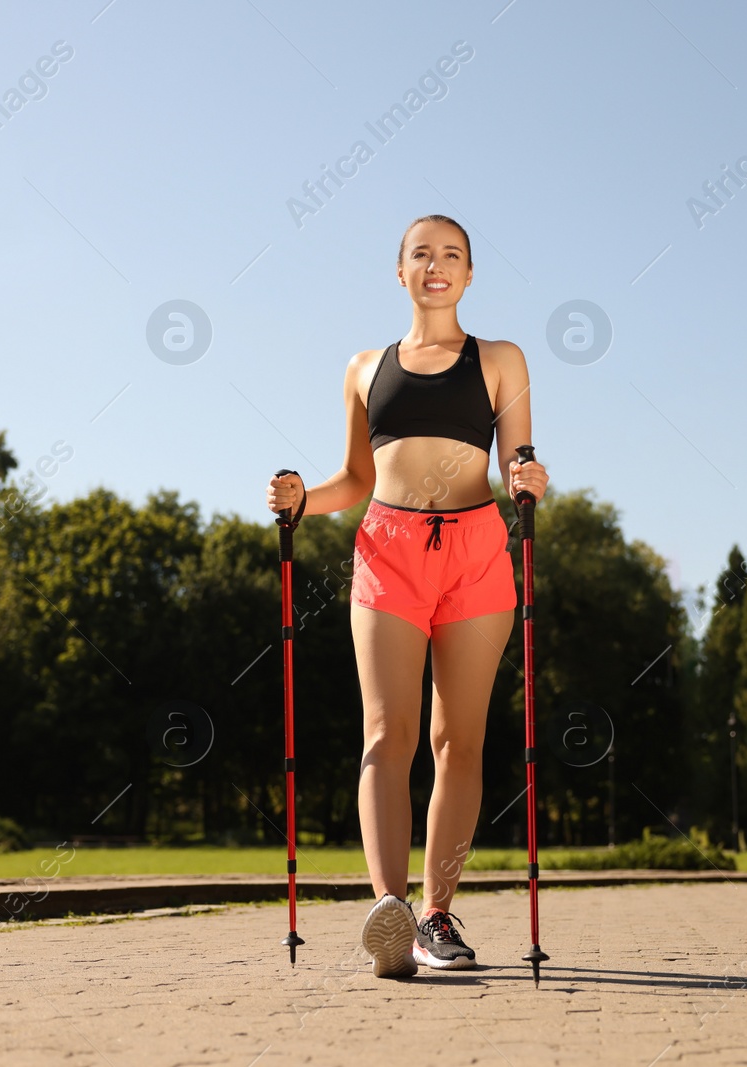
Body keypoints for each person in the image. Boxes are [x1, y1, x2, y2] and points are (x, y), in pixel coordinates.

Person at [264, 214, 548, 978]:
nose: (436, 265)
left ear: (469, 273)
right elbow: (354, 480)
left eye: (451, 255)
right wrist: (300, 500)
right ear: (399, 272)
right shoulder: (364, 366)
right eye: (421, 254)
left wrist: (531, 481)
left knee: (458, 741)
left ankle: (437, 913)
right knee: (387, 733)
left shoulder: (500, 359)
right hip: (387, 550)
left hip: (478, 550)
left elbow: (521, 457)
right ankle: (390, 911)